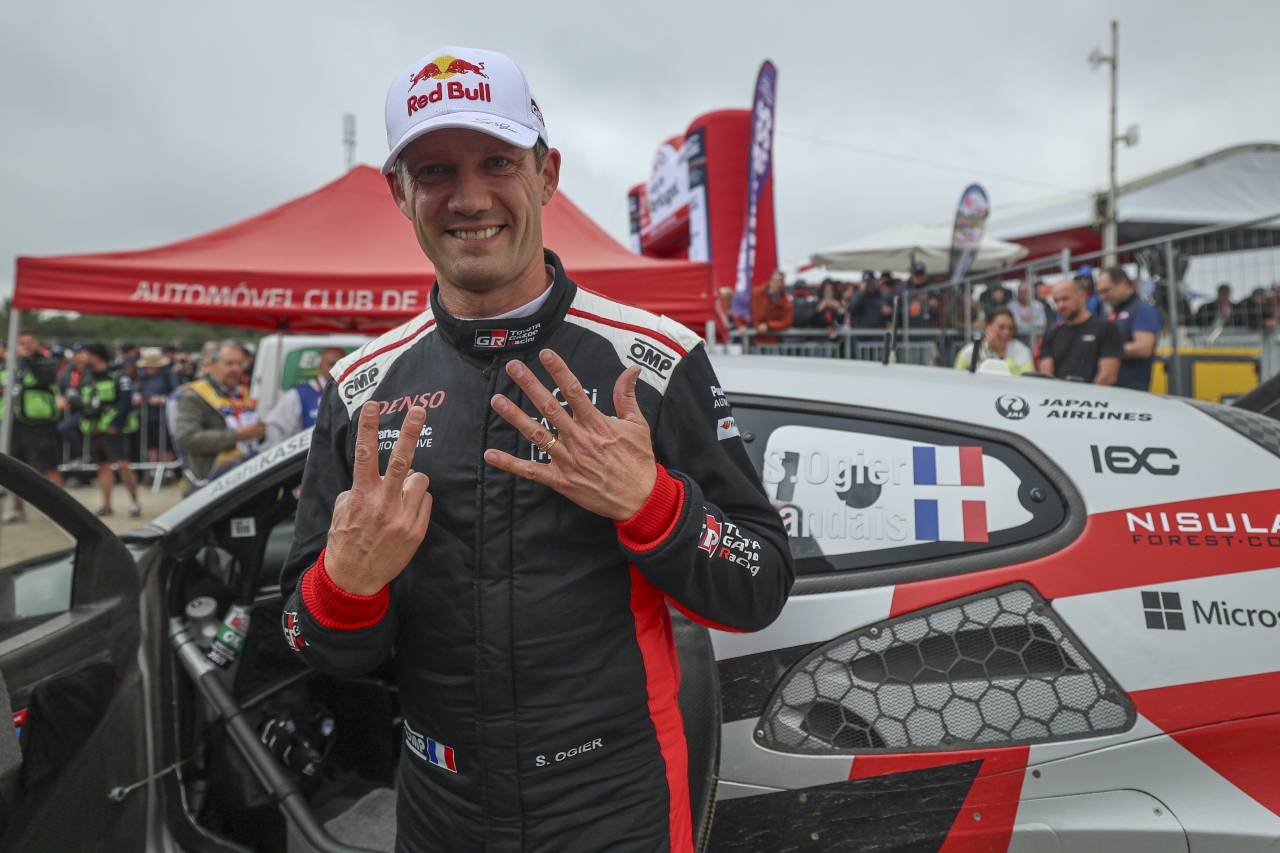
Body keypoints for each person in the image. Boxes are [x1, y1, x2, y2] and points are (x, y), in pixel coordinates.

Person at [278, 46, 792, 853]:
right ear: (400, 192)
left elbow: (758, 586)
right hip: (438, 809)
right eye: (435, 170)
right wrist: (346, 583)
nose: (469, 197)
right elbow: (308, 640)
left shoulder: (655, 359)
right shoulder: (360, 387)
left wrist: (652, 505)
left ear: (547, 174)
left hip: (614, 804)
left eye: (497, 162)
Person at [174, 341, 264, 490]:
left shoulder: (243, 394)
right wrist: (236, 436)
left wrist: (259, 431)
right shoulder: (194, 395)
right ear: (210, 365)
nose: (236, 369)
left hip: (244, 481)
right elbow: (187, 438)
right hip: (208, 485)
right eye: (229, 363)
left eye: (240, 364)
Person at [71, 343, 142, 517]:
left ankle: (134, 502)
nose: (80, 357)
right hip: (95, 428)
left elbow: (126, 402)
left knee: (122, 464)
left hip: (114, 429)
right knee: (102, 466)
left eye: (84, 354)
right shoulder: (87, 376)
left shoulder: (118, 375)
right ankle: (106, 505)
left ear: (95, 355)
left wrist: (116, 425)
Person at [1, 332, 64, 522]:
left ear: (36, 343)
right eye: (21, 343)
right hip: (14, 423)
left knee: (48, 466)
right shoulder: (10, 364)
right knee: (15, 469)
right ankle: (17, 509)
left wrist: (28, 359)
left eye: (29, 342)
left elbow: (46, 379)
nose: (25, 346)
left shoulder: (46, 362)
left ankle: (60, 508)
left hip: (39, 424)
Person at [1038, 279, 1123, 384]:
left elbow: (1108, 376)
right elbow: (1046, 376)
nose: (1060, 305)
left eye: (1065, 299)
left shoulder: (1106, 329)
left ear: (1082, 295)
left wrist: (1086, 394)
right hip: (1059, 393)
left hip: (1095, 393)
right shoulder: (1051, 334)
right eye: (1056, 301)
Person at [263, 346, 345, 447]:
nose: (336, 369)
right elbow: (274, 427)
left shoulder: (352, 393)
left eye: (341, 365)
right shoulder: (299, 394)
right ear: (319, 365)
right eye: (331, 364)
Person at [1097, 267, 1162, 391]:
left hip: (1130, 390)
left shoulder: (1143, 309)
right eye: (1100, 292)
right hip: (1111, 389)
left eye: (1106, 290)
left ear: (1122, 283)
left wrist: (1105, 350)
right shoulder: (1114, 313)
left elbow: (1144, 348)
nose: (1102, 297)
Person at [953, 308, 1035, 374]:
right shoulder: (969, 352)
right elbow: (959, 379)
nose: (1007, 332)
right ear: (988, 326)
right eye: (1001, 327)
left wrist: (1000, 353)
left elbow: (1027, 379)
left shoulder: (1022, 351)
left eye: (1010, 328)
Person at [135, 349, 180, 469]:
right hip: (148, 416)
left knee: (166, 444)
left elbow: (176, 394)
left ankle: (168, 471)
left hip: (164, 416)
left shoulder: (168, 375)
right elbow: (138, 391)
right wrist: (138, 397)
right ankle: (152, 470)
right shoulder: (143, 378)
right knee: (151, 445)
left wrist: (162, 399)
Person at [750, 269, 794, 344]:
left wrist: (768, 325)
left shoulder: (786, 302)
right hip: (753, 339)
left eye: (781, 282)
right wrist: (740, 325)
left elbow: (787, 322)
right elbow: (742, 310)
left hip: (772, 342)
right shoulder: (756, 294)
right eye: (776, 281)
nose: (778, 284)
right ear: (770, 281)